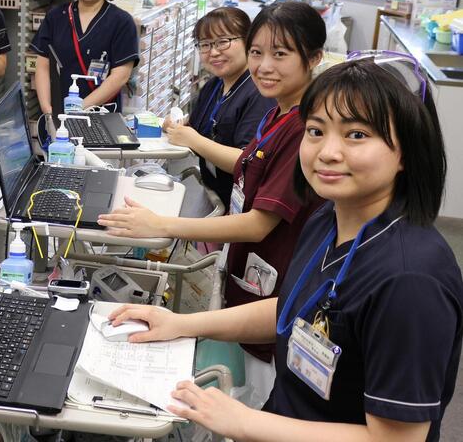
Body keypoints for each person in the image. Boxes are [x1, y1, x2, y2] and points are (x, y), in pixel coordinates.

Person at [107, 57, 462, 442]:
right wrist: (180, 324)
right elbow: (295, 307)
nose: (328, 152)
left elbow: (398, 439)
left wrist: (246, 423)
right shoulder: (330, 218)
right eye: (315, 131)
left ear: (406, 151)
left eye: (356, 135)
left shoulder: (410, 280)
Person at [98, 1, 326, 406]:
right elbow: (248, 163)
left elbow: (258, 224)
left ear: (314, 58)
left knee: (261, 400)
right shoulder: (278, 113)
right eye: (258, 52)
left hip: (272, 284)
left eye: (280, 54)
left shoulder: (302, 127)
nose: (264, 66)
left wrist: (163, 225)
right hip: (251, 279)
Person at [163, 7, 274, 209]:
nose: (213, 52)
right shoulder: (215, 85)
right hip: (214, 193)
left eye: (223, 41)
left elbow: (245, 162)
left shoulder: (259, 93)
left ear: (249, 41)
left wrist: (191, 138)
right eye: (205, 45)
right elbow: (203, 126)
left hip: (243, 206)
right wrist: (177, 126)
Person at [31, 0, 139, 115]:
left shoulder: (122, 22)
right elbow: (43, 66)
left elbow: (120, 77)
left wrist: (77, 109)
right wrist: (47, 109)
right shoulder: (56, 16)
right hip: (57, 115)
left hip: (101, 117)